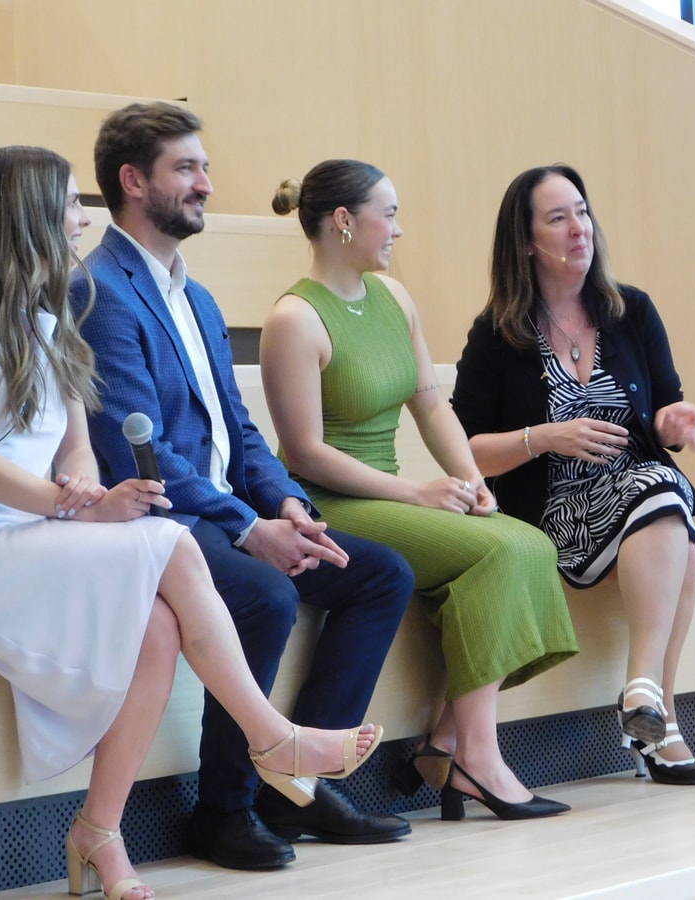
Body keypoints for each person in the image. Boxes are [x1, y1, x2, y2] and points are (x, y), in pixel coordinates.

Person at [0, 146, 384, 900]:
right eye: (67, 205)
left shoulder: (49, 316)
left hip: (33, 530)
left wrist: (89, 493)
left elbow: (76, 448)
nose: (81, 219)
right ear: (28, 211)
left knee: (157, 625)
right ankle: (273, 739)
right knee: (170, 542)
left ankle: (100, 831)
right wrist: (77, 508)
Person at [70, 104, 414, 871]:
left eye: (205, 167)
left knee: (378, 574)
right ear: (133, 181)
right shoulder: (99, 291)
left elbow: (241, 430)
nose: (206, 184)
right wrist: (247, 525)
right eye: (186, 168)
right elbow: (139, 451)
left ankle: (293, 786)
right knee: (264, 593)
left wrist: (286, 502)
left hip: (228, 506)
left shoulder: (195, 296)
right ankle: (222, 810)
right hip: (163, 516)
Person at [261, 159, 578, 823]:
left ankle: (451, 741)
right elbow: (309, 454)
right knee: (502, 554)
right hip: (336, 501)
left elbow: (432, 406)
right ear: (345, 222)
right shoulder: (294, 319)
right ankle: (474, 758)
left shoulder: (395, 299)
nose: (399, 230)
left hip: (390, 495)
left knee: (524, 542)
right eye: (390, 214)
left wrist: (470, 480)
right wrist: (414, 494)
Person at [451, 164, 695, 785]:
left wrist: (675, 423)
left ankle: (647, 697)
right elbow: (462, 450)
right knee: (671, 506)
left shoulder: (632, 311)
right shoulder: (496, 333)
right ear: (525, 242)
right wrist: (545, 437)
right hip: (549, 506)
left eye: (583, 211)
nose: (579, 228)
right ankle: (657, 711)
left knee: (666, 496)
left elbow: (663, 412)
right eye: (558, 217)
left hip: (636, 492)